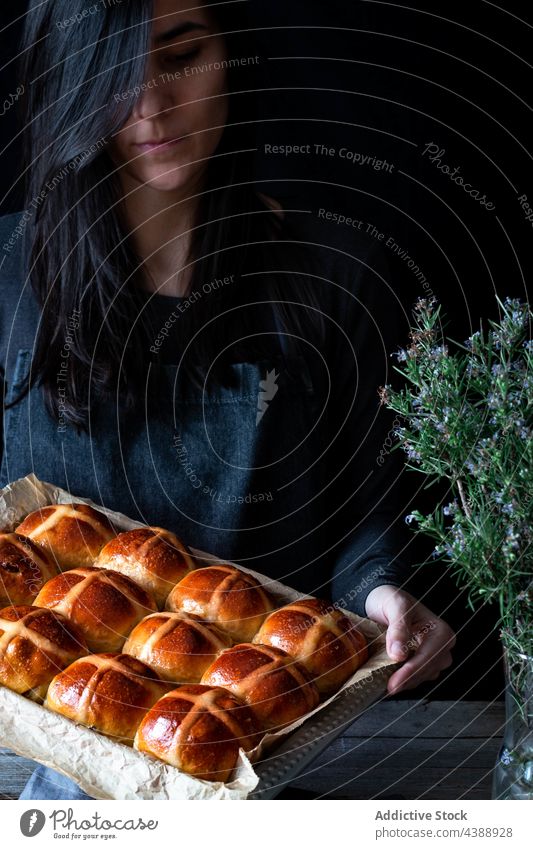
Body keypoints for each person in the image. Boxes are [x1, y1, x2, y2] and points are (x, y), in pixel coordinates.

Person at [0, 0, 455, 800]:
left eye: (180, 54)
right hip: (45, 752)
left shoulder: (334, 278)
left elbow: (359, 515)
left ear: (232, 55)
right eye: (114, 71)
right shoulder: (7, 275)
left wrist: (384, 592)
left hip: (263, 744)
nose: (150, 105)